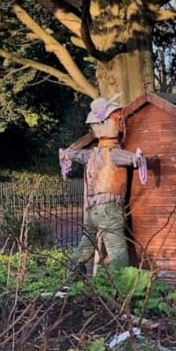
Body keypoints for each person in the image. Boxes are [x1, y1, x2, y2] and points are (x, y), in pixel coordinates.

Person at [59, 97, 147, 275]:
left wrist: (67, 154)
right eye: (117, 120)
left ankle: (71, 278)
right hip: (109, 207)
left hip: (91, 208)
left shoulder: (92, 155)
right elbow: (131, 159)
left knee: (87, 243)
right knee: (117, 248)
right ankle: (119, 284)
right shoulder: (113, 153)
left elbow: (76, 155)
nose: (120, 123)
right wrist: (137, 159)